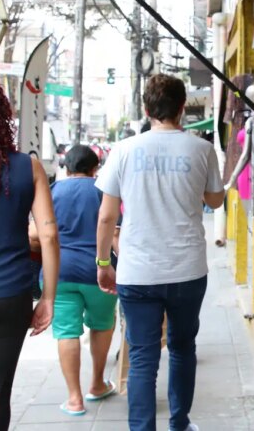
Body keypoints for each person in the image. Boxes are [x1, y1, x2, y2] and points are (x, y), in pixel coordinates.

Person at [94, 74, 225, 431]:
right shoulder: (200, 148)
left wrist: (104, 262)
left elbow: (107, 215)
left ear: (146, 109)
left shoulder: (123, 151)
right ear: (183, 108)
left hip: (137, 271)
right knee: (183, 348)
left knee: (141, 358)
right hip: (187, 270)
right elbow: (216, 199)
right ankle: (180, 423)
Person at [0, 74, 59, 430]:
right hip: (10, 296)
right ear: (3, 116)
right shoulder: (28, 167)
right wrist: (48, 296)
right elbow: (49, 236)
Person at [29, 145, 119, 416]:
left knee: (67, 331)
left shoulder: (54, 190)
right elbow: (115, 232)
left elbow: (36, 234)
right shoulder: (104, 191)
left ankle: (74, 399)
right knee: (102, 325)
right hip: (99, 271)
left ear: (66, 167)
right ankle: (97, 384)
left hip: (60, 272)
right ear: (95, 168)